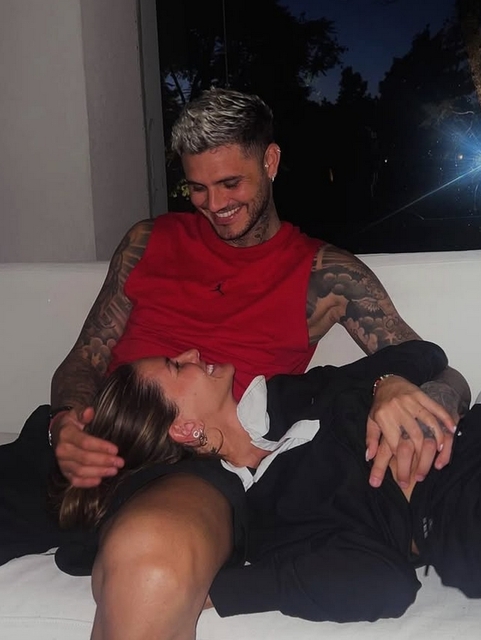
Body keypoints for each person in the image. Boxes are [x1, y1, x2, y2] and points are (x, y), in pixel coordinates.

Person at [51, 340, 480, 638]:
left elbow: (426, 354)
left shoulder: (289, 395)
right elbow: (384, 583)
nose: (192, 353)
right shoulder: (267, 515)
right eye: (176, 367)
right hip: (456, 506)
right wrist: (218, 593)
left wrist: (387, 384)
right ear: (184, 428)